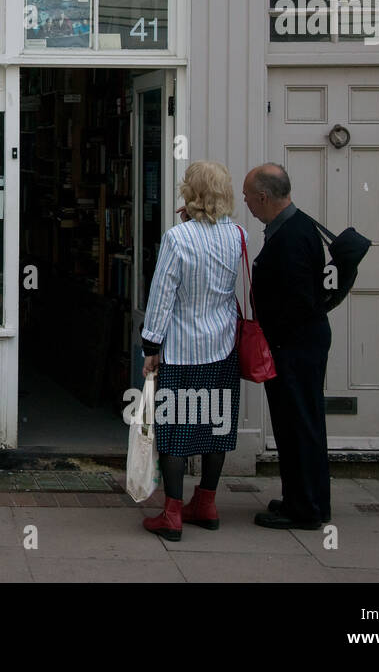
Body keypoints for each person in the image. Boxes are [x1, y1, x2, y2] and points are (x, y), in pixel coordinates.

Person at [139, 160, 244, 541]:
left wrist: (151, 343)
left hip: (182, 349)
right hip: (223, 345)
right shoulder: (239, 236)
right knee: (216, 426)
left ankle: (171, 514)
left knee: (175, 432)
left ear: (190, 194)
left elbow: (162, 294)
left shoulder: (178, 238)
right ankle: (207, 503)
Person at [242, 162, 332, 530]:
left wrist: (272, 336)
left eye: (248, 198)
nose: (246, 204)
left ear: (264, 197)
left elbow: (297, 300)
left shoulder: (291, 235)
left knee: (298, 425)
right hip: (297, 344)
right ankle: (305, 497)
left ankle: (305, 508)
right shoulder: (295, 225)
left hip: (293, 347)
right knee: (301, 423)